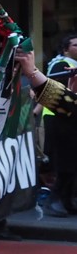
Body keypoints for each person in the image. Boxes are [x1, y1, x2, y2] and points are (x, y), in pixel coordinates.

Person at [39, 34, 77, 216]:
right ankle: (54, 200)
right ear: (65, 49)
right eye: (75, 45)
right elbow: (52, 92)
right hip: (59, 117)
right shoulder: (60, 65)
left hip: (71, 117)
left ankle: (67, 200)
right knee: (65, 162)